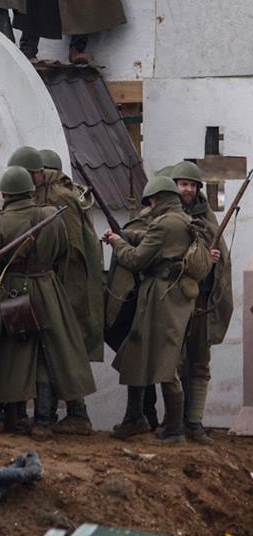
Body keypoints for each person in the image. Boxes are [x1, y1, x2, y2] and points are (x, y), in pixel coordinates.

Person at [0, 166, 95, 438]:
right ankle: (43, 421)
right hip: (48, 289)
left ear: (5, 193)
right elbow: (63, 253)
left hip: (13, 291)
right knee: (46, 353)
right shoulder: (52, 215)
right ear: (30, 190)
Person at [11, 146, 103, 434]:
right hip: (50, 283)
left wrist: (55, 288)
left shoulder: (59, 198)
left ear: (38, 173)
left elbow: (71, 249)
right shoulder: (46, 194)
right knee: (49, 347)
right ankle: (47, 414)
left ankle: (75, 414)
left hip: (63, 284)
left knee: (61, 348)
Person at [102, 175, 200, 443]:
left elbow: (135, 259)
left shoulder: (164, 224)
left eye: (151, 202)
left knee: (165, 362)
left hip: (162, 297)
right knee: (136, 351)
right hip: (170, 295)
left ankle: (174, 430)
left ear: (157, 200)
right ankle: (135, 417)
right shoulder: (182, 220)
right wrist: (126, 234)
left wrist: (117, 243)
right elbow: (151, 239)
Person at [171, 160, 233, 444]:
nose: (188, 189)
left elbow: (220, 256)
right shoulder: (166, 216)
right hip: (172, 301)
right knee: (171, 363)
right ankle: (172, 422)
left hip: (200, 302)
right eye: (183, 184)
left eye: (193, 185)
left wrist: (213, 260)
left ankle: (194, 422)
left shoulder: (206, 217)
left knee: (199, 362)